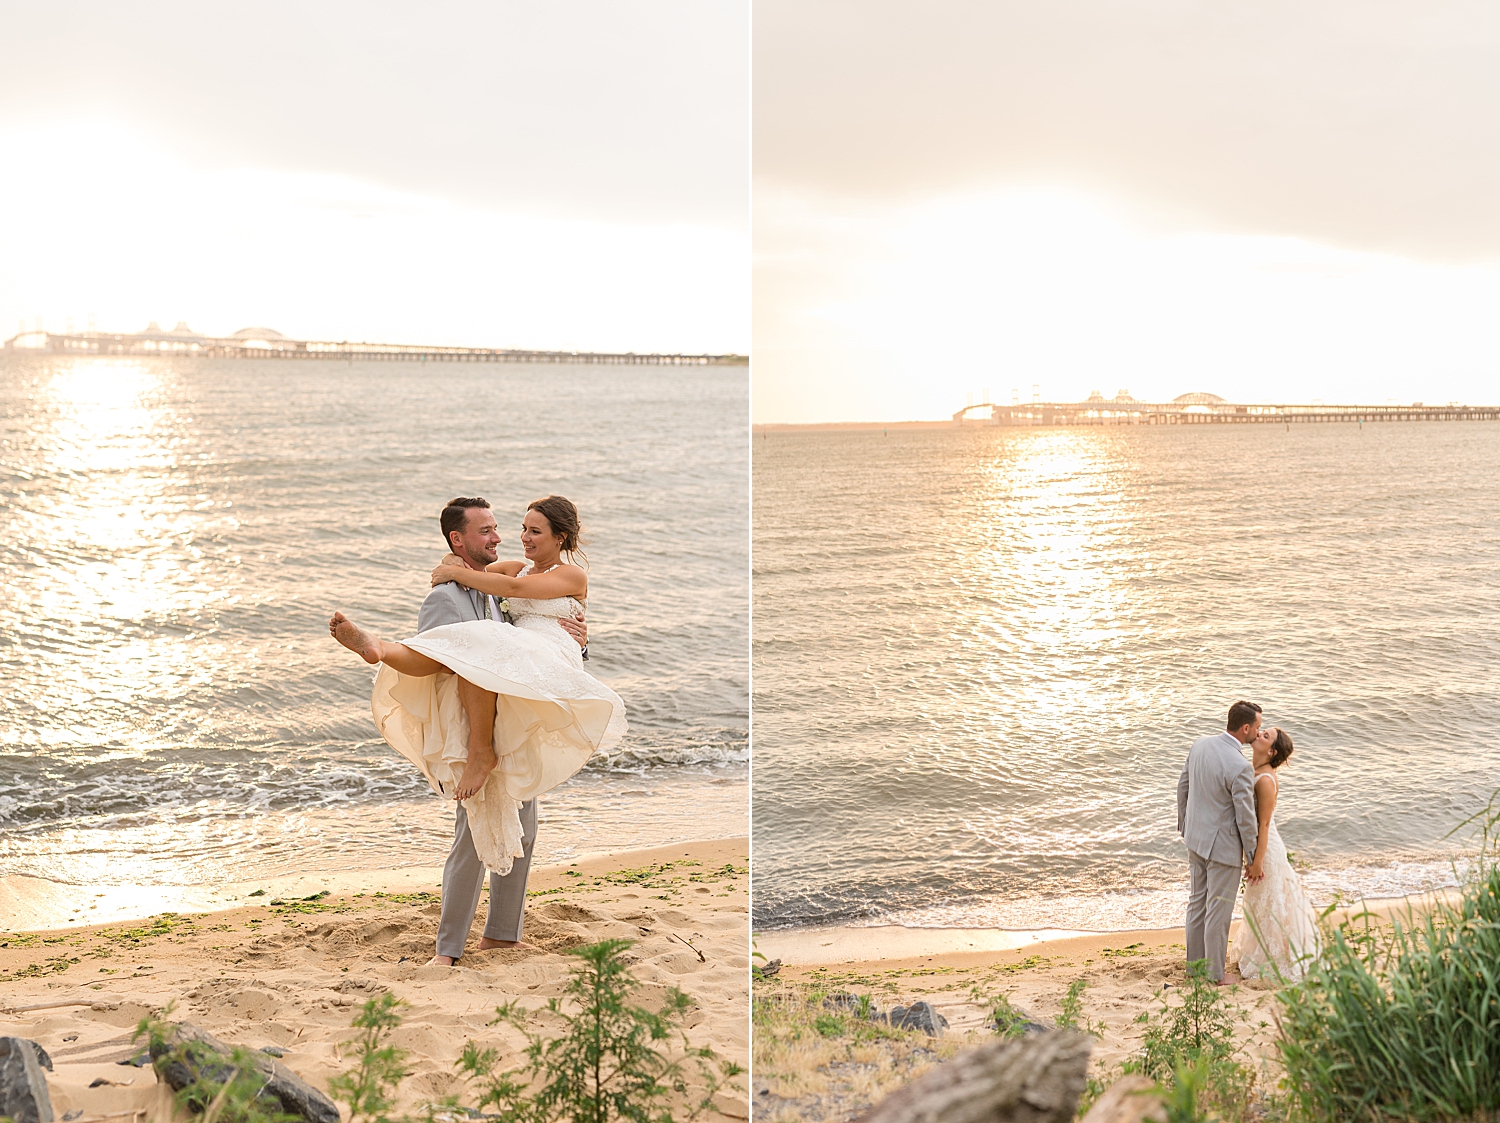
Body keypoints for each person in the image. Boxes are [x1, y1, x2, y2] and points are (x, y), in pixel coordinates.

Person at [329, 495, 625, 966]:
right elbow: (435, 658)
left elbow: (530, 618)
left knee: (523, 827)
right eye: (489, 530)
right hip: (475, 732)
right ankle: (448, 950)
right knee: (473, 836)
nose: (507, 537)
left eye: (527, 530)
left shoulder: (498, 585)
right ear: (458, 538)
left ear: (559, 538)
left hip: (518, 711)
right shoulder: (448, 597)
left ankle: (503, 935)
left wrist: (579, 641)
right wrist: (451, 570)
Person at [1177, 700, 1261, 984]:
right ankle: (1214, 975)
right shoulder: (1240, 766)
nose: (1258, 733)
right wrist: (1253, 857)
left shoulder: (1199, 744)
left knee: (1196, 904)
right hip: (1222, 849)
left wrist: (1184, 824)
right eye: (1257, 727)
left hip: (1195, 839)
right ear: (1245, 727)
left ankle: (1194, 969)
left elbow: (1183, 786)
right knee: (1218, 912)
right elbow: (1246, 819)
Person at [1232, 726, 1320, 981]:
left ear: (1271, 751)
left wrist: (1257, 861)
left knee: (1271, 903)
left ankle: (1278, 958)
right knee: (1263, 902)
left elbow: (1264, 825)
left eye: (1265, 735)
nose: (1258, 734)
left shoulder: (1266, 780)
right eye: (1261, 731)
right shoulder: (1255, 771)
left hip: (1268, 850)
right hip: (1262, 846)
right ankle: (1266, 952)